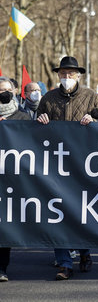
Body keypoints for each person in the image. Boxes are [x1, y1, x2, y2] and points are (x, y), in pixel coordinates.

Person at [36, 56, 98, 280]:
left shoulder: (91, 97)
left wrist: (94, 121)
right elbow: (35, 129)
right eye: (63, 74)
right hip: (56, 166)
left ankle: (84, 252)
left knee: (79, 213)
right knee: (58, 214)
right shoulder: (49, 98)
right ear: (58, 75)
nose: (67, 77)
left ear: (78, 76)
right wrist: (41, 119)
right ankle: (64, 263)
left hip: (83, 165)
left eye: (71, 74)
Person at [0, 77, 30, 282]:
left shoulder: (23, 118)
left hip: (10, 180)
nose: (3, 93)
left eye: (7, 90)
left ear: (14, 91)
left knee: (4, 226)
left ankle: (1, 267)